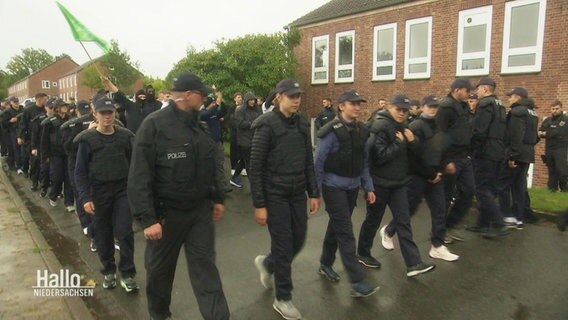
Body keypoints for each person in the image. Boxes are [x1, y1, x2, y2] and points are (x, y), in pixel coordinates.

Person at [128, 72, 229, 320]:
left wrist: (217, 197)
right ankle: (160, 316)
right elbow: (139, 174)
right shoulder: (154, 125)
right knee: (160, 274)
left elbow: (212, 164)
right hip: (165, 217)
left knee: (206, 270)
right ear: (187, 95)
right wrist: (147, 219)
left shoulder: (200, 126)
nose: (204, 98)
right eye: (201, 94)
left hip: (199, 213)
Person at [249, 79, 320, 320]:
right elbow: (255, 167)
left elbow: (308, 160)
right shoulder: (266, 126)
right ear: (279, 97)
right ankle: (283, 298)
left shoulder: (301, 123)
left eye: (298, 95)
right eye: (291, 96)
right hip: (274, 194)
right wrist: (259, 204)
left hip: (297, 192)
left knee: (298, 240)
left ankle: (269, 264)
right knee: (283, 244)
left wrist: (314, 192)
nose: (297, 99)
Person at [358, 94, 435, 277]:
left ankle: (413, 263)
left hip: (399, 183)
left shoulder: (402, 125)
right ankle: (363, 253)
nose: (402, 113)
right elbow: (379, 156)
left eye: (405, 110)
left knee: (403, 221)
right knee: (373, 220)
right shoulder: (381, 125)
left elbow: (413, 152)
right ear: (390, 108)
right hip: (380, 183)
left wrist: (412, 141)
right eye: (398, 109)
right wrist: (400, 144)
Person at [314, 90, 379, 297]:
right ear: (341, 106)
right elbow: (318, 163)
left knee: (336, 226)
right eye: (353, 104)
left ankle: (325, 263)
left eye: (360, 104)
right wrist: (314, 192)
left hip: (352, 188)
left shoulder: (361, 130)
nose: (358, 108)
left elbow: (364, 163)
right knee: (345, 231)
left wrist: (368, 187)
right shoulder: (330, 132)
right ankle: (357, 280)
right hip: (333, 187)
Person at [381, 95, 460, 261]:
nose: (433, 109)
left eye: (435, 107)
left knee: (440, 210)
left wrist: (444, 166)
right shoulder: (415, 126)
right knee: (409, 209)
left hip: (435, 175)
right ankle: (388, 231)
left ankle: (437, 246)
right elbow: (414, 156)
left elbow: (442, 149)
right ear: (423, 107)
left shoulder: (439, 126)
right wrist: (430, 174)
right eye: (430, 106)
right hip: (417, 176)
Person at [74, 98, 138, 292]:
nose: (108, 116)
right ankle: (108, 270)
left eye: (110, 112)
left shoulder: (125, 137)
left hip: (121, 191)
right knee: (103, 234)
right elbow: (80, 172)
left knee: (125, 232)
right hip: (98, 192)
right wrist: (85, 198)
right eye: (103, 113)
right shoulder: (87, 140)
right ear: (96, 114)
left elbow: (134, 164)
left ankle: (127, 273)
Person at [469, 78, 509, 238]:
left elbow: (480, 130)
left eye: (478, 89)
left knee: (482, 189)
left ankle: (499, 224)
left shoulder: (485, 104)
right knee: (489, 188)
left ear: (485, 89)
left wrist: (473, 149)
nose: (476, 92)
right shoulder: (500, 104)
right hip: (497, 151)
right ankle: (482, 223)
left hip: (486, 152)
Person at [437, 78, 475, 243]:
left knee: (468, 192)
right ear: (457, 89)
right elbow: (440, 135)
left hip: (464, 156)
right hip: (451, 158)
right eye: (467, 91)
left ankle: (450, 225)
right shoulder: (446, 107)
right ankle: (439, 232)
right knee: (445, 197)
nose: (469, 94)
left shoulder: (464, 107)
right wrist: (445, 161)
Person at [497, 88, 539, 230]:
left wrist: (512, 156)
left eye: (511, 96)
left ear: (518, 97)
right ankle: (519, 218)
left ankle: (507, 216)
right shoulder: (532, 112)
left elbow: (516, 135)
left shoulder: (517, 112)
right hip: (527, 154)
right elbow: (534, 136)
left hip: (516, 154)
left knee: (502, 185)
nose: (509, 99)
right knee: (519, 187)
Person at [62, 100, 96, 247]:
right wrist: (86, 132)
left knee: (92, 195)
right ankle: (86, 225)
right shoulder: (71, 125)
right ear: (77, 112)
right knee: (80, 194)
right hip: (75, 163)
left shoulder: (95, 122)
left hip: (91, 164)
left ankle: (96, 227)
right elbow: (68, 146)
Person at [40, 99, 73, 211]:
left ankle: (69, 202)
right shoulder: (50, 122)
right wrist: (45, 156)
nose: (65, 107)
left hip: (68, 153)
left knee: (69, 178)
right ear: (57, 108)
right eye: (63, 106)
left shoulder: (70, 120)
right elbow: (44, 141)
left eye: (66, 105)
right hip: (55, 154)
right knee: (57, 177)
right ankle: (53, 195)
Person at [230, 92, 261, 188]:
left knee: (244, 160)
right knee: (248, 162)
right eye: (250, 100)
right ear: (247, 100)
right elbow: (240, 124)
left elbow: (260, 119)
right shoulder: (240, 110)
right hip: (244, 140)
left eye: (254, 100)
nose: (252, 102)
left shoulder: (256, 109)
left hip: (253, 138)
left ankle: (234, 178)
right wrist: (251, 123)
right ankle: (254, 185)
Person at [18, 93, 48, 184]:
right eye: (44, 99)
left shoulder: (46, 109)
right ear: (39, 99)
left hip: (44, 138)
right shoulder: (28, 110)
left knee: (44, 162)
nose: (45, 101)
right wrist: (20, 136)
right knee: (35, 161)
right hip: (32, 138)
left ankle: (43, 180)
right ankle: (34, 181)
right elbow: (23, 124)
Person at [538, 100, 568, 192]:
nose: (555, 111)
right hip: (549, 148)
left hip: (560, 148)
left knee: (561, 170)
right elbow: (540, 131)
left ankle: (564, 189)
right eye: (553, 109)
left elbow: (558, 132)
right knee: (551, 170)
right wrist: (545, 133)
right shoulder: (547, 120)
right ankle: (552, 189)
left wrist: (546, 133)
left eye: (557, 109)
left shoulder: (565, 119)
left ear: (561, 108)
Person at [2, 96, 23, 171]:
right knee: (15, 148)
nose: (16, 103)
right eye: (14, 102)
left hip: (22, 130)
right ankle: (17, 165)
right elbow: (3, 123)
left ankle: (22, 164)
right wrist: (10, 121)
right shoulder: (7, 112)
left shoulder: (22, 109)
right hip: (12, 131)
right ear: (11, 103)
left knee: (22, 149)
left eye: (17, 101)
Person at [229, 92, 243, 176]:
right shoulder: (232, 108)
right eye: (238, 97)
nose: (240, 98)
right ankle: (233, 167)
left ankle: (242, 167)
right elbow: (230, 119)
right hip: (234, 132)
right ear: (235, 99)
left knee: (241, 151)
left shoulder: (244, 108)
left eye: (241, 97)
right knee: (233, 150)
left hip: (242, 133)